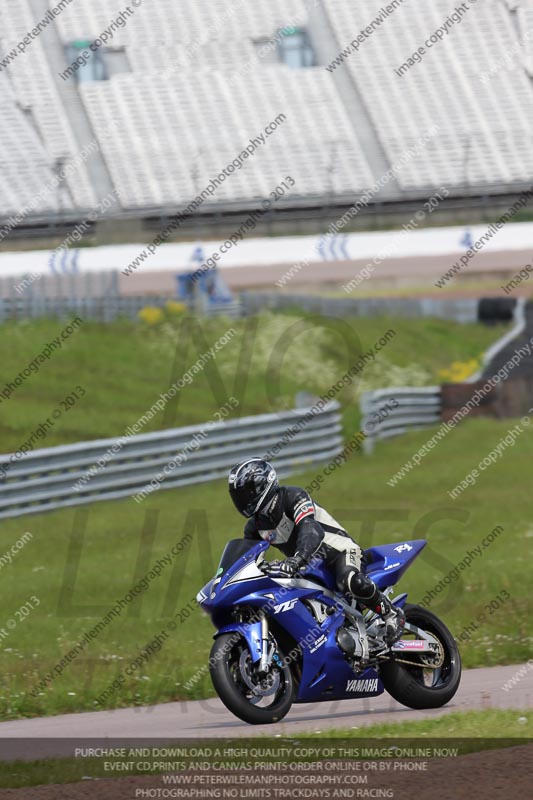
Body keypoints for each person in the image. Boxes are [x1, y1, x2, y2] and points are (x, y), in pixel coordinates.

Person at [228, 457, 405, 644]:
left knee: (349, 581)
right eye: (238, 495)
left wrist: (297, 559)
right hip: (308, 568)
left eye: (247, 493)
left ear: (263, 485)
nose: (242, 500)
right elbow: (247, 558)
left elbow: (311, 529)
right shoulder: (254, 526)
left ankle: (391, 613)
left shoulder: (293, 496)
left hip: (341, 552)